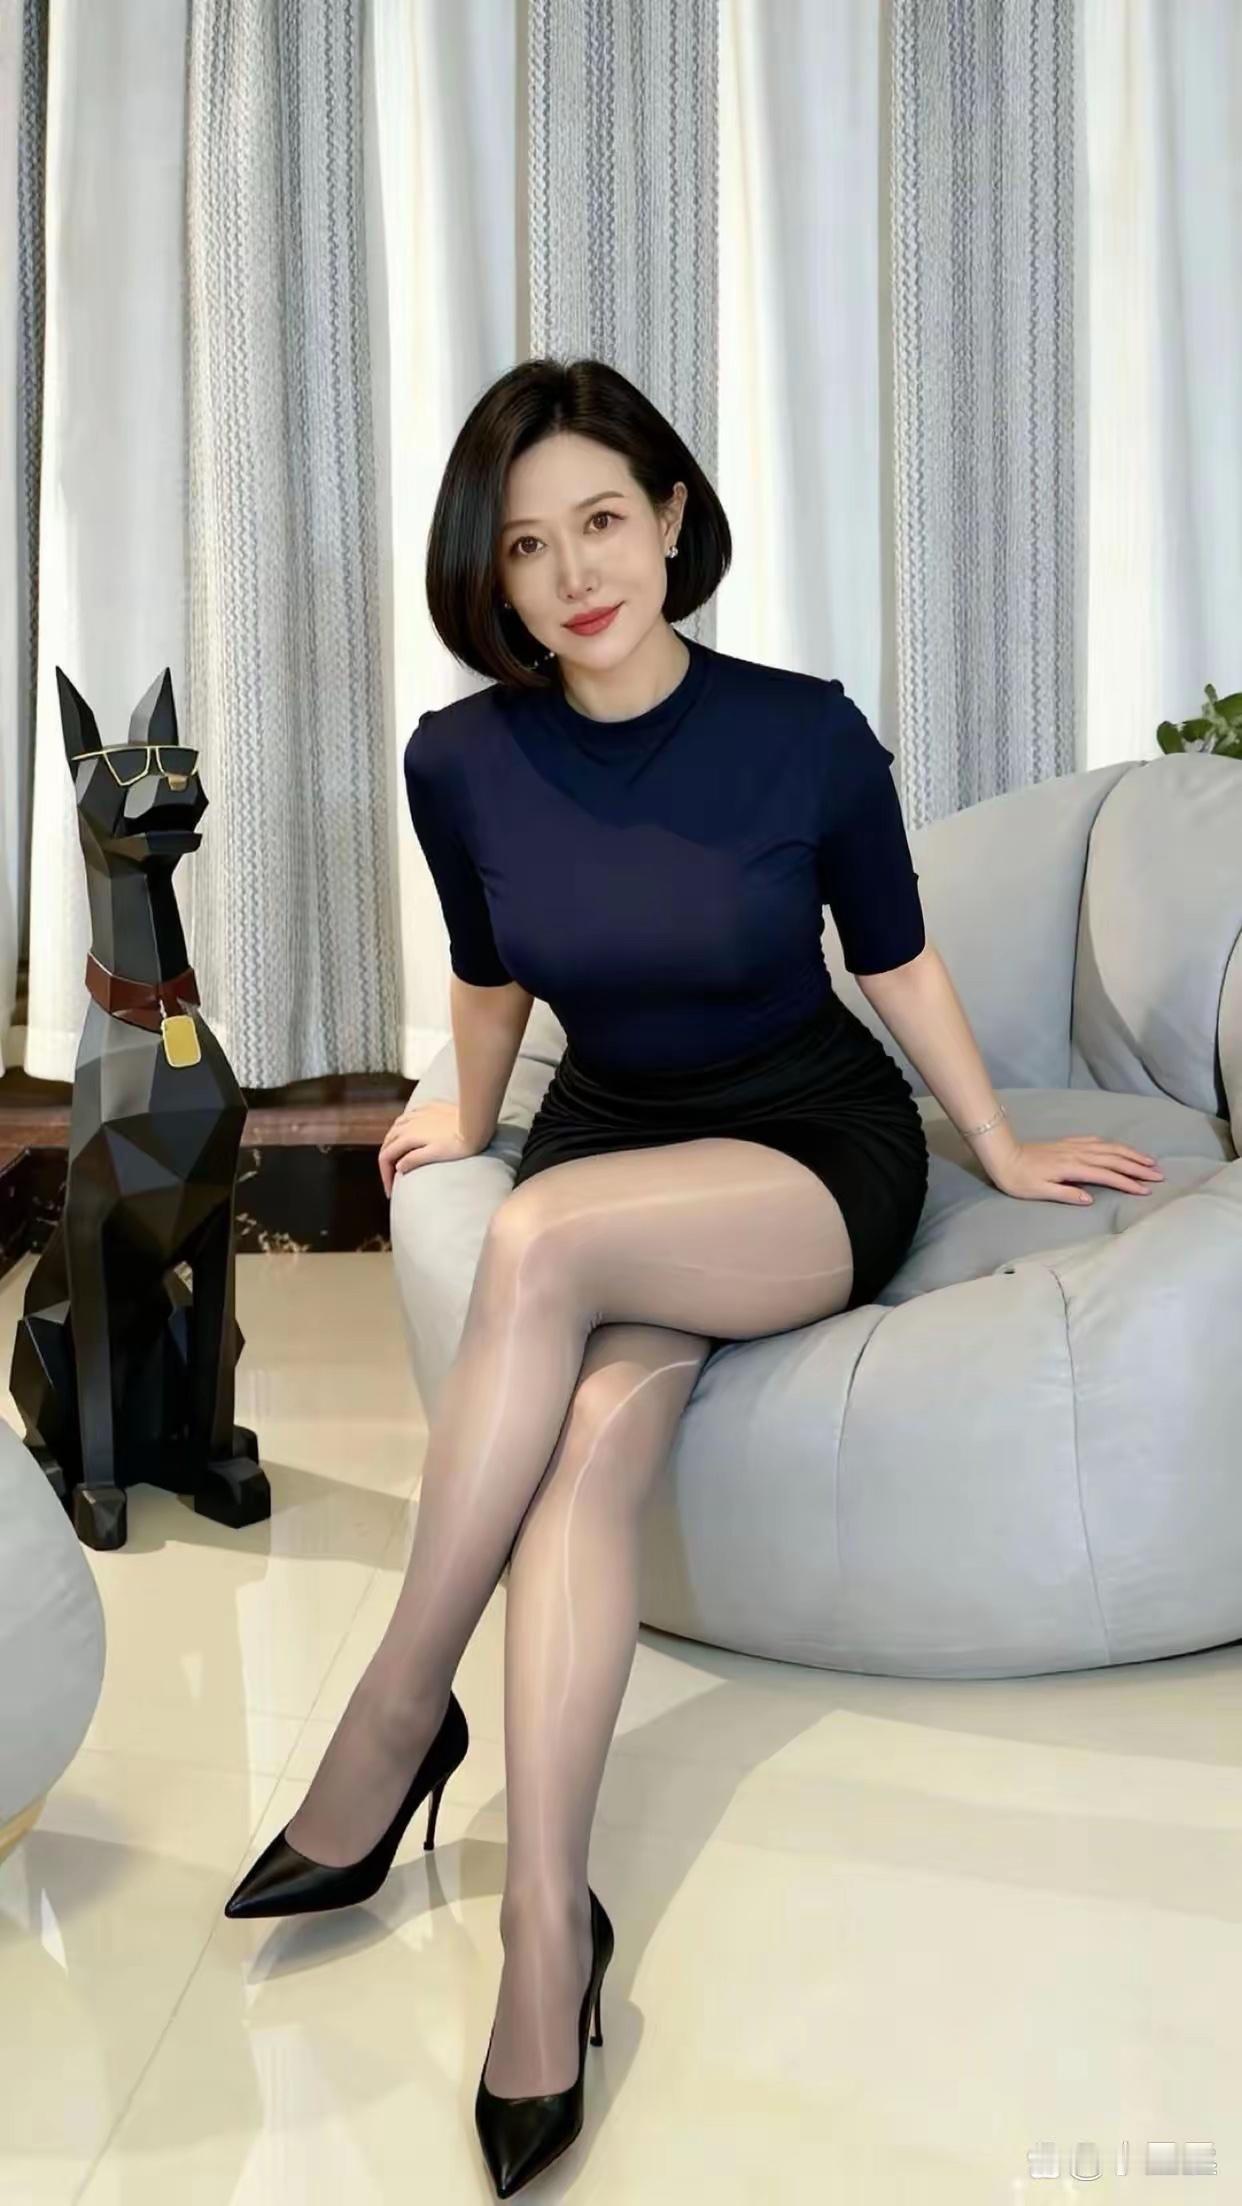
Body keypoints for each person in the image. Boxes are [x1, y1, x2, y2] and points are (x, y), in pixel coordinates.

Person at [223, 357, 1163, 2198]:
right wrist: (465, 1104)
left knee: (540, 1235)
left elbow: (892, 963)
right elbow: (489, 973)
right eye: (525, 545)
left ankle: (396, 1715)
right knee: (587, 1446)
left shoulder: (803, 735)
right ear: (491, 574)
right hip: (610, 1145)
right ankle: (544, 1937)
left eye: (601, 520)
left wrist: (993, 1141)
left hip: (807, 1154)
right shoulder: (460, 761)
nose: (573, 573)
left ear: (669, 518)